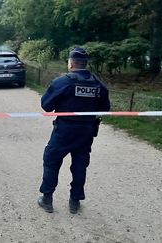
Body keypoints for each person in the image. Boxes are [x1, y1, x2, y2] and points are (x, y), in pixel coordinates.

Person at [37, 47, 110, 214]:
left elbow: (46, 106)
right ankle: (75, 202)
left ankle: (47, 199)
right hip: (86, 131)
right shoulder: (98, 84)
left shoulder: (63, 82)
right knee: (80, 165)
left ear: (70, 63)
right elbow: (105, 109)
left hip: (64, 130)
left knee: (51, 161)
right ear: (85, 64)